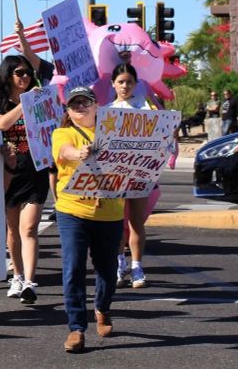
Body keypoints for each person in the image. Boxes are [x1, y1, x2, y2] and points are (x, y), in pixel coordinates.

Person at [52, 86, 125, 353]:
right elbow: (64, 152)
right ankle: (76, 328)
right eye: (74, 105)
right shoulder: (62, 133)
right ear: (68, 112)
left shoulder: (115, 133)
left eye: (86, 102)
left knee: (107, 269)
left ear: (97, 106)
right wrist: (78, 153)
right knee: (73, 267)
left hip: (110, 211)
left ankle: (102, 309)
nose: (80, 107)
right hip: (73, 210)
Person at [0, 54, 49, 304]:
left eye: (28, 73)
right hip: (8, 171)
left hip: (36, 169)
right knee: (12, 229)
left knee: (29, 228)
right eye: (20, 72)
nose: (25, 77)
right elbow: (0, 123)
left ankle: (30, 282)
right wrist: (25, 103)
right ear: (7, 75)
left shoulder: (38, 99)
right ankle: (17, 275)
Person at [106, 63, 164, 289]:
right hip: (115, 176)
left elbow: (161, 131)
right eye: (121, 81)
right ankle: (119, 265)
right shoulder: (106, 109)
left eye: (129, 82)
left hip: (141, 173)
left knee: (136, 223)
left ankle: (137, 267)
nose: (125, 86)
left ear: (135, 84)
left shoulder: (145, 107)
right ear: (113, 83)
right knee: (117, 225)